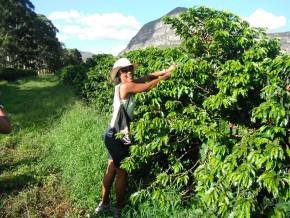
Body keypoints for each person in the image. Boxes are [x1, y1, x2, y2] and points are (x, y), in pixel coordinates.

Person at [95, 58, 177, 217]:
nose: (129, 72)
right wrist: (168, 75)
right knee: (122, 172)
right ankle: (119, 209)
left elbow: (147, 77)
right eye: (125, 71)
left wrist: (164, 70)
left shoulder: (123, 84)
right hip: (117, 136)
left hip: (112, 133)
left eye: (131, 69)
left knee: (111, 168)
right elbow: (148, 86)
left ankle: (104, 204)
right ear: (119, 73)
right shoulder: (126, 86)